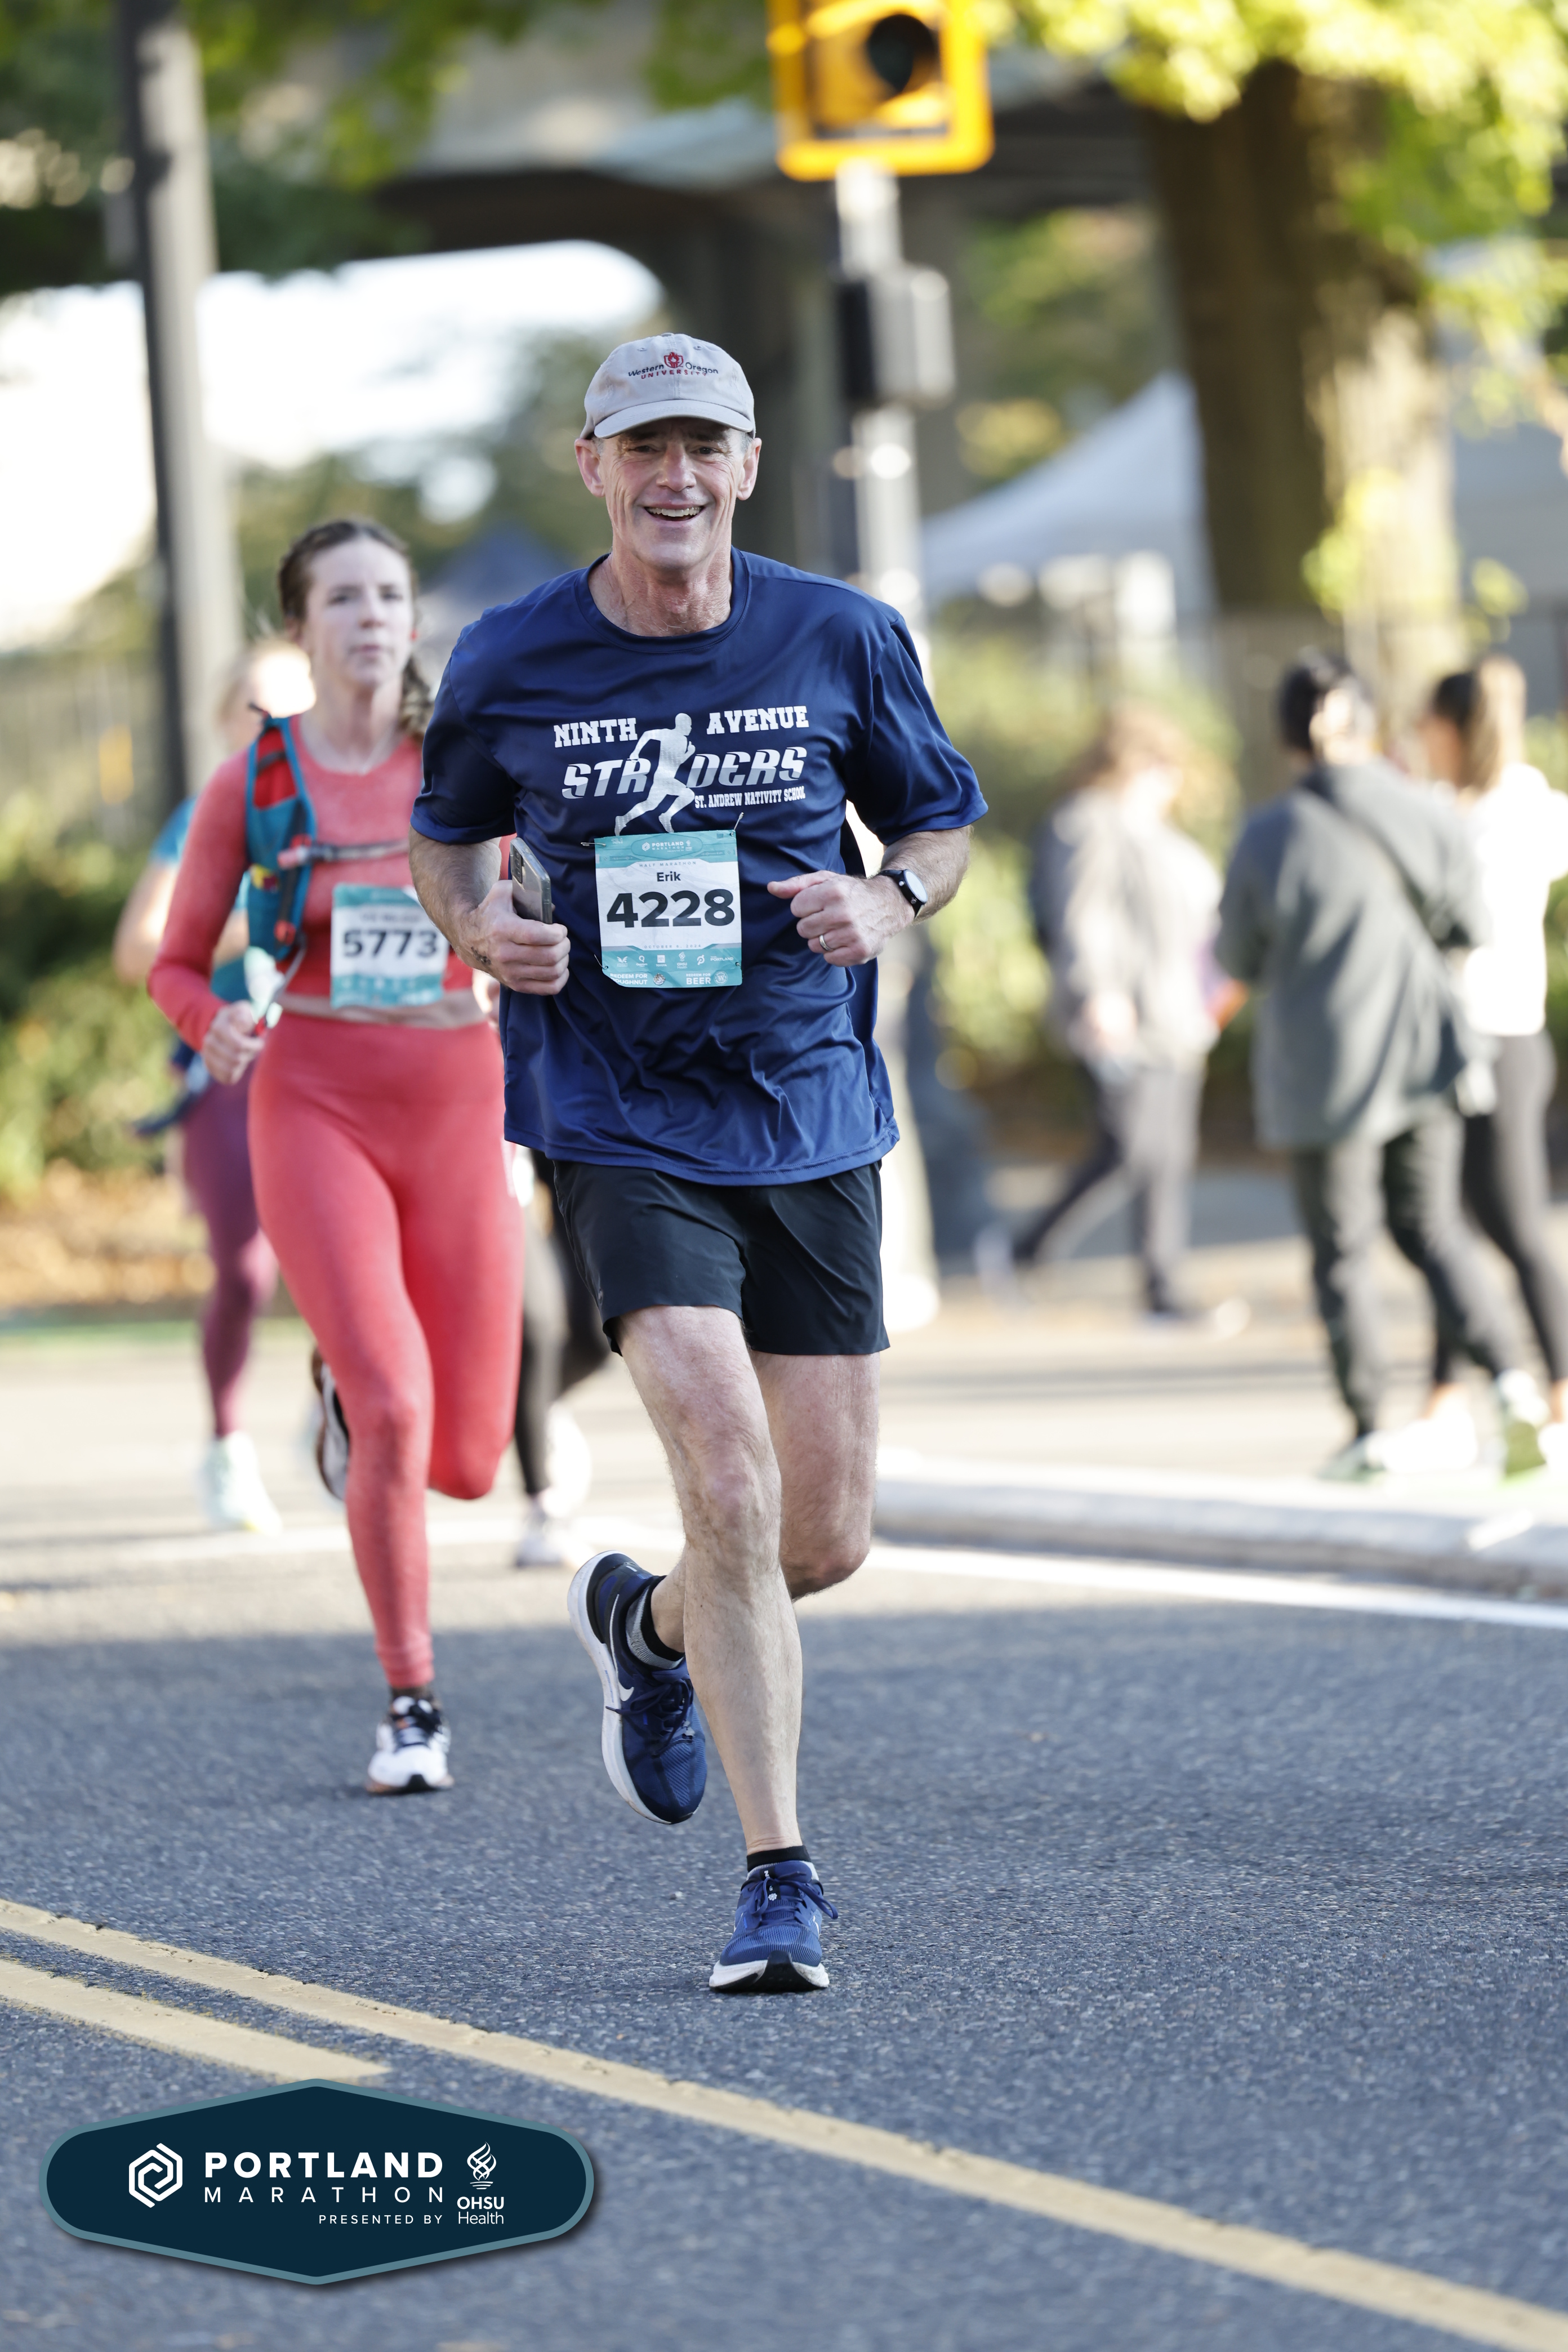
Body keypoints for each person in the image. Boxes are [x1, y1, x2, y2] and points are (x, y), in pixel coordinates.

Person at [409, 331, 983, 1991]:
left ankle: (643, 1626)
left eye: (701, 447)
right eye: (641, 448)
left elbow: (939, 818)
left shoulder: (839, 634)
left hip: (805, 1109)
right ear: (592, 468)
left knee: (820, 1538)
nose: (673, 478)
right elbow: (444, 841)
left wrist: (888, 896)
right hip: (617, 1112)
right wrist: (480, 929)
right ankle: (778, 1879)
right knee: (724, 1484)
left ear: (744, 466)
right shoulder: (511, 655)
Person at [149, 518, 523, 1793]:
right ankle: (411, 1700)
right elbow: (173, 959)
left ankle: (340, 1396)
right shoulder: (253, 781)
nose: (371, 617)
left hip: (458, 1102)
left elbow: (531, 903)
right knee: (396, 1407)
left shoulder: (466, 763)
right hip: (313, 1103)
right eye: (344, 598)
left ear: (413, 620)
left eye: (390, 596)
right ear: (299, 627)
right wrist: (210, 1022)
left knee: (466, 1457)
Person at [1217, 649, 1548, 1477]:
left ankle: (1370, 1429)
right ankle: (1514, 1386)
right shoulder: (1426, 812)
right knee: (1435, 1227)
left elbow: (1238, 955)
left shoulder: (1269, 834)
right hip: (1426, 1055)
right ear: (1366, 722)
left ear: (1287, 735)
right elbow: (1471, 924)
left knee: (1344, 1253)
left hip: (1322, 1069)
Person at [114, 639, 313, 1533]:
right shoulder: (206, 812)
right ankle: (227, 1445)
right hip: (230, 1064)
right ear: (226, 720)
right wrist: (257, 922)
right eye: (256, 709)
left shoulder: (358, 799)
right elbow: (138, 950)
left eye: (293, 706)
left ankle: (339, 1401)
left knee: (350, 1252)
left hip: (332, 1058)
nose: (276, 725)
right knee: (243, 1269)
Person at [1001, 705, 1244, 1328]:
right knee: (1128, 1146)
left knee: (1167, 1155)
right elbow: (1082, 914)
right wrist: (1097, 992)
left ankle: (1162, 1289)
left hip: (1178, 1016)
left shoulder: (1161, 835)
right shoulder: (1087, 821)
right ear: (1131, 762)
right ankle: (1023, 1250)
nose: (1172, 779)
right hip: (1123, 1015)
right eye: (1161, 765)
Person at [1405, 656, 1568, 1469]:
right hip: (1470, 1040)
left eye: (1426, 724)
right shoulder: (1483, 807)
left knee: (1512, 1225)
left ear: (1451, 728)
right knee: (1449, 1227)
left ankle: (1560, 1390)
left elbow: (1471, 925)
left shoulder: (1506, 814)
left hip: (1497, 1038)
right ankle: (1444, 1397)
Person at [513, 1151, 611, 1567]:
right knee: (536, 1328)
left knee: (597, 1335)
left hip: (547, 1133)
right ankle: (543, 1508)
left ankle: (532, 1407)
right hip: (481, 1157)